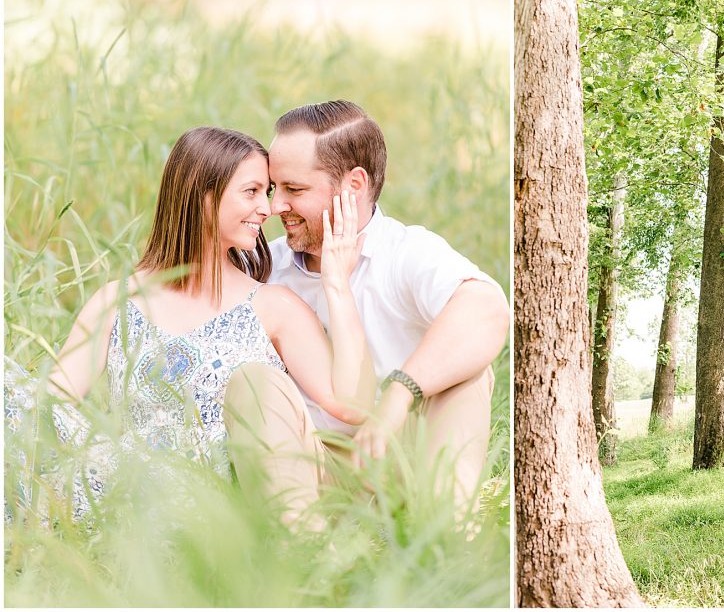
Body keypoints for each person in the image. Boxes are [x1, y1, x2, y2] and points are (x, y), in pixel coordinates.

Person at [5, 127, 375, 528]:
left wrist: (337, 284)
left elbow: (351, 407)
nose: (267, 209)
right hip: (139, 493)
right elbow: (47, 406)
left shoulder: (274, 307)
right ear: (203, 197)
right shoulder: (117, 303)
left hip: (232, 508)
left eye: (265, 193)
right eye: (252, 192)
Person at [262, 99, 510, 509]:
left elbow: (487, 309)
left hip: (404, 462)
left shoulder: (404, 252)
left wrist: (400, 393)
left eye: (295, 189)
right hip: (313, 469)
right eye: (274, 188)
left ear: (353, 185)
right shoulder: (267, 266)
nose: (276, 206)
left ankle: (442, 531)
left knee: (470, 375)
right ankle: (303, 542)